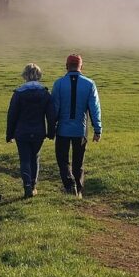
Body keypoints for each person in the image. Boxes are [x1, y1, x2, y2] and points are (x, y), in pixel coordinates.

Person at [51, 53, 102, 198]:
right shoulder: (89, 84)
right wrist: (98, 129)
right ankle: (78, 190)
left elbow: (54, 108)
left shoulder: (59, 83)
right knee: (78, 162)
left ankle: (69, 185)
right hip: (81, 130)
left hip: (62, 130)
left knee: (62, 160)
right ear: (81, 67)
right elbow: (95, 108)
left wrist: (51, 128)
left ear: (66, 66)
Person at [6, 63, 55, 198]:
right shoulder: (45, 93)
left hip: (22, 132)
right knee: (35, 158)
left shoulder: (19, 93)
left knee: (25, 159)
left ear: (25, 75)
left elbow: (12, 115)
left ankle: (27, 185)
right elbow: (51, 116)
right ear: (39, 75)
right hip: (38, 132)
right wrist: (51, 133)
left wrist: (9, 134)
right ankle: (33, 185)